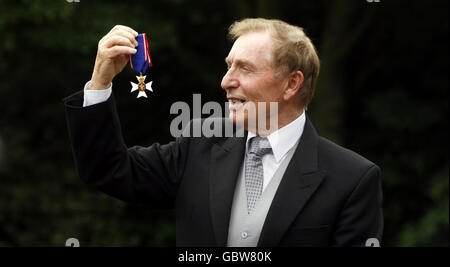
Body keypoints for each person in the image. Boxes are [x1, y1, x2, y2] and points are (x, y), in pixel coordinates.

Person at [63, 18, 383, 247]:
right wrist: (100, 84)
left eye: (244, 68)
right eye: (229, 65)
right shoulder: (199, 145)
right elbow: (107, 169)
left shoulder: (353, 179)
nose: (225, 81)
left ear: (292, 83)